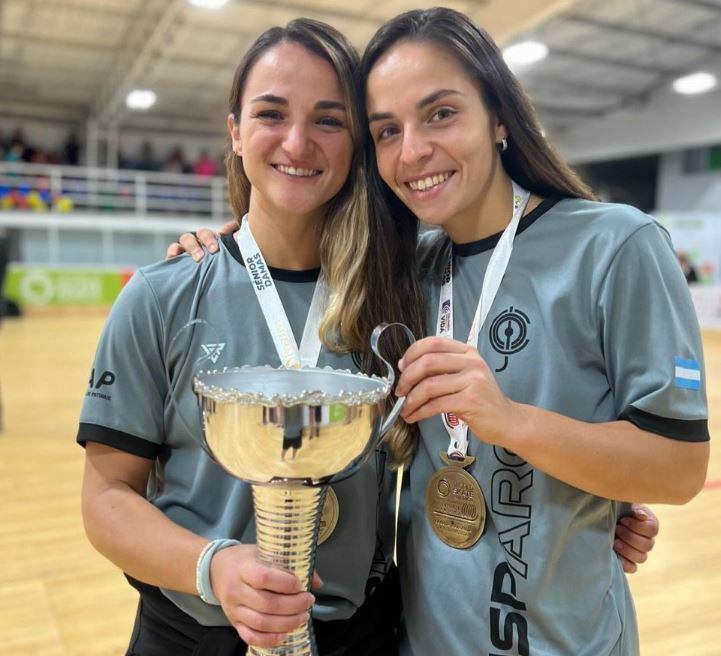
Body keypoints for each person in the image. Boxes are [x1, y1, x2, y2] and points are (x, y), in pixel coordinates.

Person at [169, 9, 673, 655]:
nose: (410, 151)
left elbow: (676, 466)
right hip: (420, 634)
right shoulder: (409, 267)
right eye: (384, 130)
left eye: (439, 113)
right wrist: (226, 240)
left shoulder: (614, 243)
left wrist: (519, 428)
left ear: (499, 116)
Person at [78, 19, 422, 656]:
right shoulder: (160, 296)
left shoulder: (398, 295)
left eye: (328, 119)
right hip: (192, 633)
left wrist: (605, 508)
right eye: (271, 113)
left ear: (356, 143)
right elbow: (105, 497)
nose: (298, 141)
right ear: (234, 131)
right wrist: (212, 568)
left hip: (360, 634)